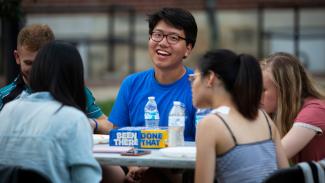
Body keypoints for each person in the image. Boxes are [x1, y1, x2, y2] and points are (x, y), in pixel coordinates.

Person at [108, 7, 197, 182]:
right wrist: (133, 165)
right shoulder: (131, 84)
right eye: (157, 35)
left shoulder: (197, 87)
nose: (163, 43)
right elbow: (119, 135)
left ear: (188, 48)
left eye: (173, 38)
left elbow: (202, 149)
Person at [0, 41, 102, 183]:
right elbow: (86, 179)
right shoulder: (73, 119)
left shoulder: (7, 111)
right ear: (75, 77)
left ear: (36, 71)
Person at [193, 49, 289, 183]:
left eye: (194, 78)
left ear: (210, 78)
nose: (192, 85)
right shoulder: (263, 117)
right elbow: (286, 174)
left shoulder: (210, 125)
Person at [0, 24, 112, 134]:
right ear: (17, 57)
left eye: (40, 63)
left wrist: (91, 123)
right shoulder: (4, 97)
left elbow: (109, 125)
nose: (35, 70)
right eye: (29, 63)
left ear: (53, 59)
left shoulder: (73, 90)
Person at [261, 52, 325, 163]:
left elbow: (273, 158)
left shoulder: (314, 111)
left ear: (285, 90)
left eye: (263, 90)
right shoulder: (276, 113)